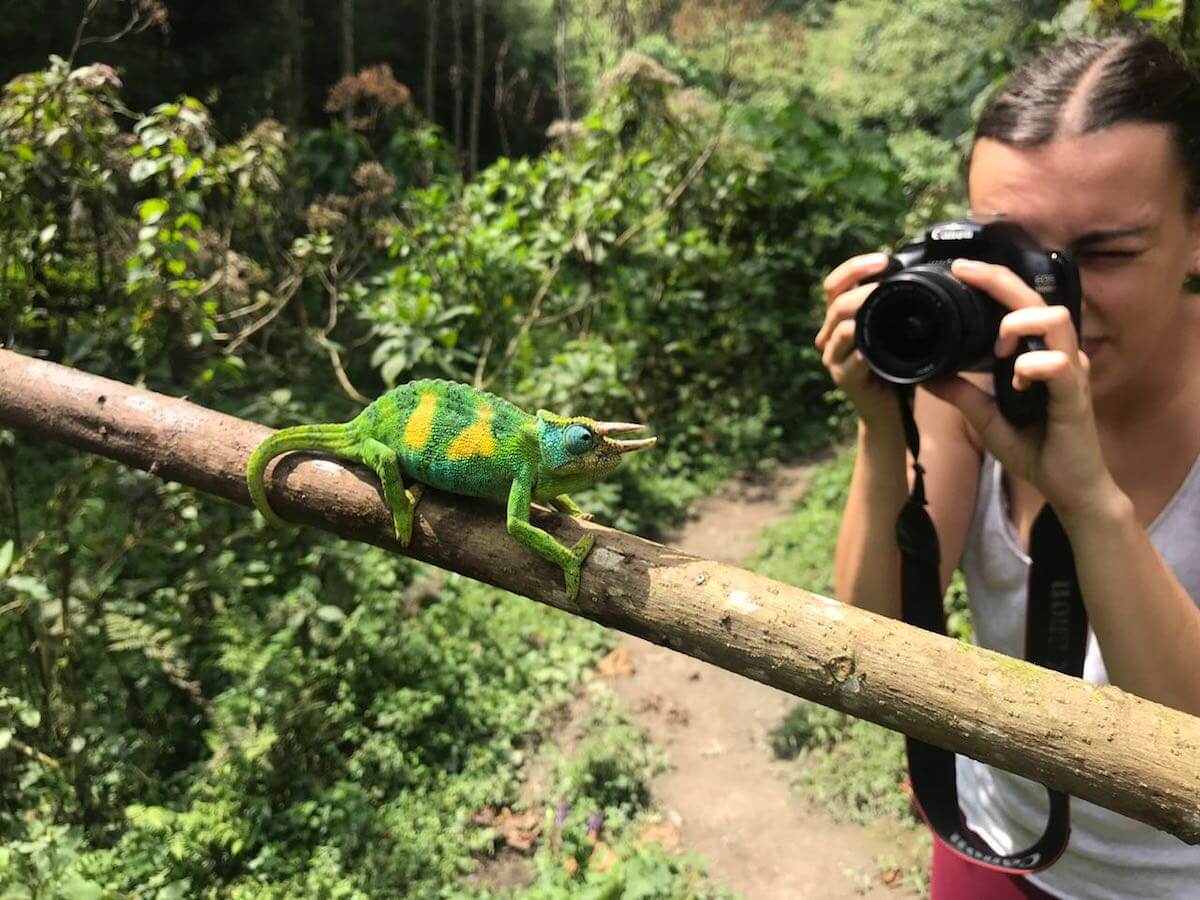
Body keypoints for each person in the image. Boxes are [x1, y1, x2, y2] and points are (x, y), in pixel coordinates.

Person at [814, 32, 1200, 900]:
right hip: (1002, 838)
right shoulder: (977, 387)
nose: (1048, 300)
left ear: (1196, 234)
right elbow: (878, 639)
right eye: (1011, 255)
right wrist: (886, 433)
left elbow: (1186, 746)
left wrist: (1088, 501)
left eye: (1104, 254)